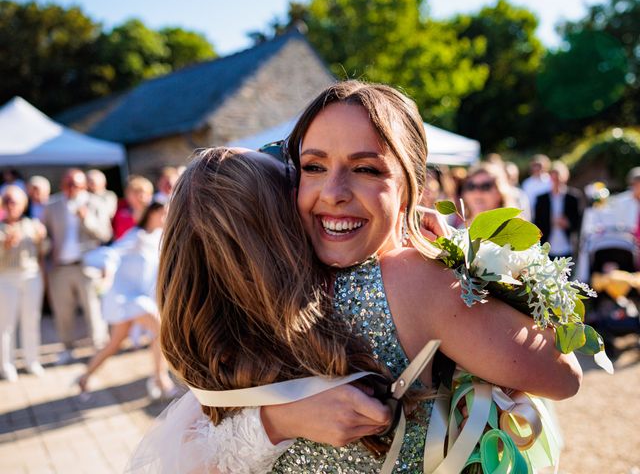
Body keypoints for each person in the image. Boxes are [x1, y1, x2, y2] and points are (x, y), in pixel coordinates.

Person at [129, 81, 581, 473]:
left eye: (365, 169)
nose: (334, 192)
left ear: (413, 184)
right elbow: (564, 377)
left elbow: (195, 447)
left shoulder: (247, 308)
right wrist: (461, 264)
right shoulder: (414, 281)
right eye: (313, 167)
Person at [77, 201, 175, 399]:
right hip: (125, 299)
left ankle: (85, 376)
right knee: (160, 329)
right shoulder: (136, 236)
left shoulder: (159, 237)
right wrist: (107, 273)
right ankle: (160, 378)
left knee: (114, 344)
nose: (166, 218)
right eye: (163, 214)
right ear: (153, 214)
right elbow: (110, 253)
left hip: (138, 298)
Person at [44, 169, 112, 364]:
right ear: (62, 185)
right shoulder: (53, 205)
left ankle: (99, 350)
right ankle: (67, 348)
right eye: (68, 183)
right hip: (60, 267)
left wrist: (86, 219)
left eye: (76, 184)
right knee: (63, 312)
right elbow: (47, 235)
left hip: (87, 266)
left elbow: (105, 234)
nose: (72, 188)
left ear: (84, 185)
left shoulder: (95, 202)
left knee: (93, 310)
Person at [0, 186, 47, 380]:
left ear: (23, 204)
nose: (11, 205)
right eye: (8, 201)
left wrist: (42, 239)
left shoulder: (33, 225)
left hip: (31, 275)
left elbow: (44, 251)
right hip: (6, 278)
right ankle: (6, 364)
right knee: (5, 324)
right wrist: (5, 246)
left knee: (31, 320)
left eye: (15, 201)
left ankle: (32, 360)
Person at [533, 161, 583, 258]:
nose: (556, 181)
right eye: (553, 178)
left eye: (558, 178)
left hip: (567, 246)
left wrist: (568, 223)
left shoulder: (573, 197)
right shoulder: (541, 199)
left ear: (565, 178)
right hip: (547, 245)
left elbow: (579, 221)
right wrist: (550, 221)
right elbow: (537, 222)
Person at [112, 175, 154, 240]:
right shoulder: (121, 211)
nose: (139, 196)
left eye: (141, 192)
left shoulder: (154, 213)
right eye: (134, 192)